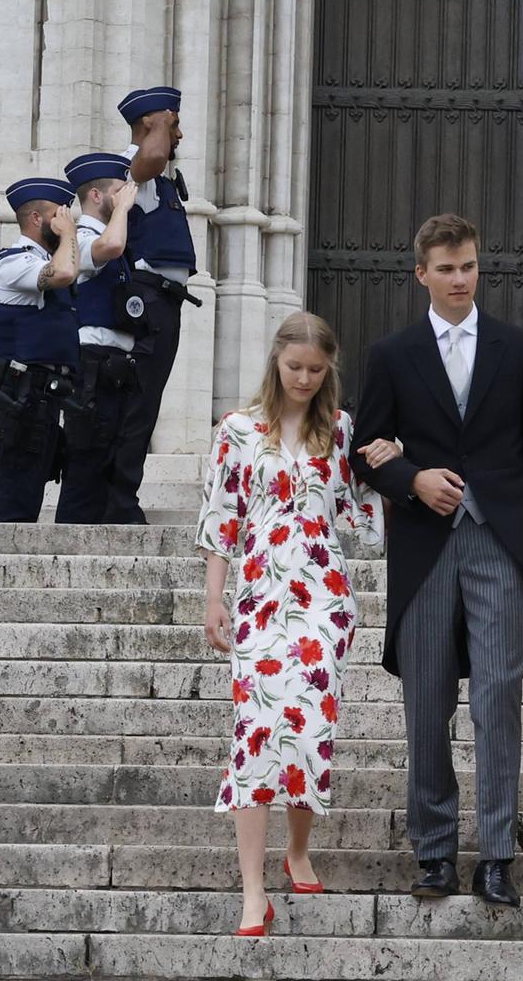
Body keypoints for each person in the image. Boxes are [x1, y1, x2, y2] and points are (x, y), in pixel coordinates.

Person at [351, 214, 523, 910]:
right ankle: (435, 851)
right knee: (428, 701)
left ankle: (497, 855)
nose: (460, 278)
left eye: (468, 266)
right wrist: (412, 478)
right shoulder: (392, 353)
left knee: (499, 696)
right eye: (446, 268)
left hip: (499, 542)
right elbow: (365, 453)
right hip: (424, 547)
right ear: (422, 274)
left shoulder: (520, 347)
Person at [197, 311, 387, 936]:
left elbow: (362, 512)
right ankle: (253, 892)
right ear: (275, 362)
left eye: (316, 369)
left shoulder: (339, 430)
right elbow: (222, 516)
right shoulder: (238, 430)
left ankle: (298, 848)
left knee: (309, 728)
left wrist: (388, 460)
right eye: (295, 367)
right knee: (255, 731)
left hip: (323, 595)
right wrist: (213, 598)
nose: (305, 378)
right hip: (258, 591)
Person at [112, 87, 199, 525]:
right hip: (147, 300)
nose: (179, 134)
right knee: (138, 402)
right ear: (151, 124)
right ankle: (119, 500)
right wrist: (161, 123)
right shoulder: (133, 169)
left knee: (147, 402)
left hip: (166, 302)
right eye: (173, 124)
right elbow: (147, 161)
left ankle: (123, 495)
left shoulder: (160, 179)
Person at [0, 177, 81, 523]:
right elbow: (65, 271)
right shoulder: (14, 263)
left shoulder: (38, 260)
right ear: (37, 219)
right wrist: (69, 234)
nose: (66, 221)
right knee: (17, 496)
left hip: (43, 395)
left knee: (30, 489)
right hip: (22, 395)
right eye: (58, 215)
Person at [52, 152, 139, 525]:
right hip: (92, 364)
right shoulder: (84, 237)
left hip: (113, 365)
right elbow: (112, 247)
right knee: (86, 460)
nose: (127, 199)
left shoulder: (104, 234)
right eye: (119, 191)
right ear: (98, 197)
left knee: (106, 459)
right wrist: (122, 211)